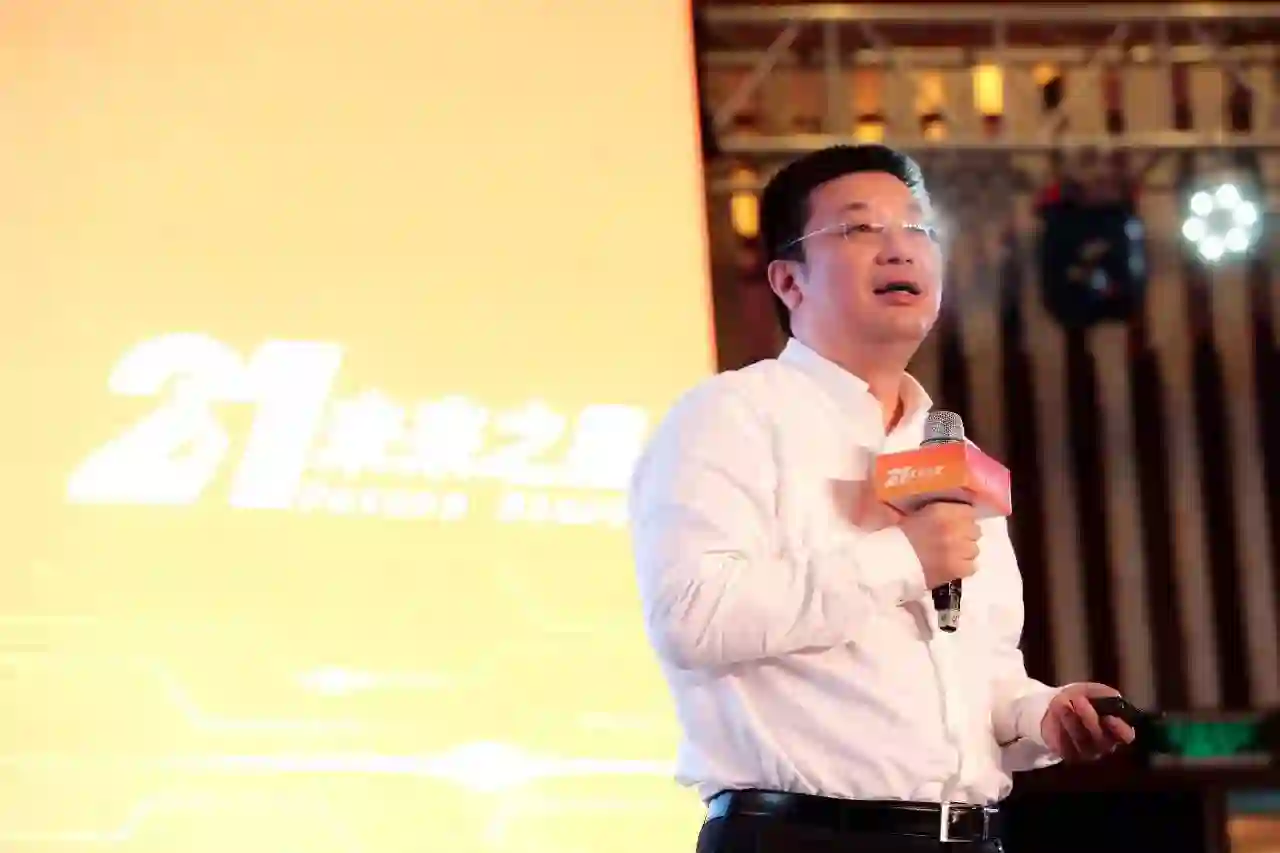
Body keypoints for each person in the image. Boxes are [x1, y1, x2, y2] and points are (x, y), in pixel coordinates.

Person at [627, 144, 1135, 853]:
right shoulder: (730, 416)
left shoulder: (946, 450)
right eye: (860, 228)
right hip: (803, 835)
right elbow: (692, 617)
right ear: (789, 280)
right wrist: (904, 558)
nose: (900, 248)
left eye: (918, 227)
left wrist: (1041, 714)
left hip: (969, 836)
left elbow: (982, 669)